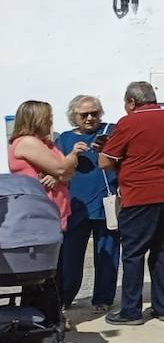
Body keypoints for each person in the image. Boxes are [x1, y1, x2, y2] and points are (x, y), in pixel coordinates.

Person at [98, 82, 164, 324]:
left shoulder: (128, 122)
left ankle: (130, 310)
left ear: (132, 101)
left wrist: (116, 158)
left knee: (133, 253)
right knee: (163, 250)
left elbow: (104, 162)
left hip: (139, 196)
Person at [56, 96, 119, 311]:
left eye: (95, 113)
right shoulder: (64, 139)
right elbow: (57, 170)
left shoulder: (111, 131)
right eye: (85, 115)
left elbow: (125, 159)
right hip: (75, 205)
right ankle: (65, 297)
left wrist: (107, 149)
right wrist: (73, 154)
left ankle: (102, 299)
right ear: (74, 116)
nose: (91, 118)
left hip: (105, 203)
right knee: (70, 257)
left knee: (107, 255)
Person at [9, 101, 80, 234]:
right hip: (38, 213)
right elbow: (62, 168)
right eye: (48, 118)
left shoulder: (48, 144)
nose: (51, 122)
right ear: (37, 120)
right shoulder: (27, 142)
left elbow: (69, 174)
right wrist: (74, 155)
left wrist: (56, 177)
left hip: (55, 211)